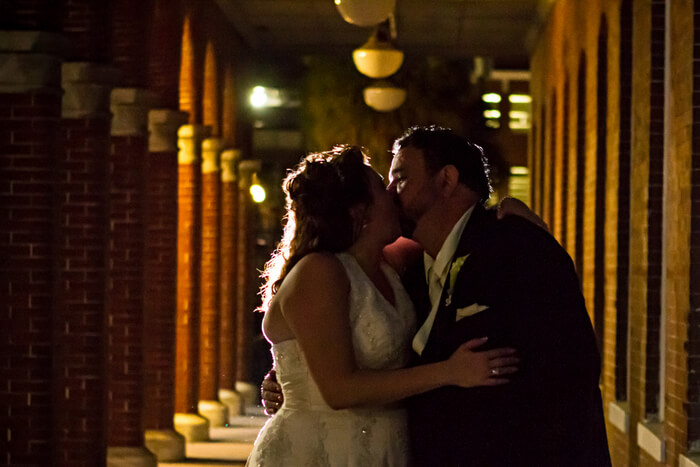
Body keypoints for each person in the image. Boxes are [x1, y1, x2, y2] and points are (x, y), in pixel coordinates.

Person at [264, 126, 612, 466]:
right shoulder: (409, 273)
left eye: (400, 179)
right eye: (385, 185)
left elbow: (570, 376)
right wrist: (295, 379)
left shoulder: (517, 247)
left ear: (446, 180)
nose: (391, 192)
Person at [246, 146, 518, 467]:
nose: (394, 194)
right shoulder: (320, 271)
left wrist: (512, 219)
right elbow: (338, 391)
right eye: (382, 188)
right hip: (324, 451)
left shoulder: (393, 270)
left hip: (386, 448)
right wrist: (450, 372)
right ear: (359, 211)